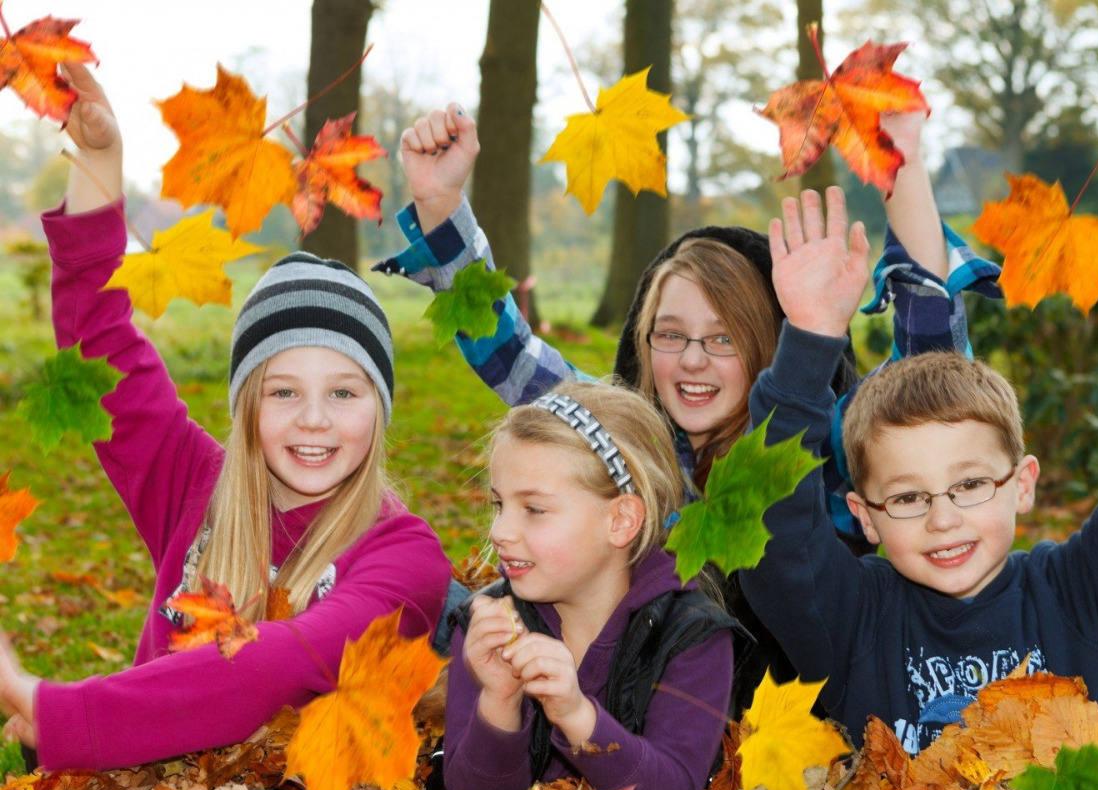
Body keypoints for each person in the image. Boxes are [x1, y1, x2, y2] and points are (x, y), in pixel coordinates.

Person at [376, 102, 1002, 706]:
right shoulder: (626, 438)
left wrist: (905, 170)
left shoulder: (819, 446)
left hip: (783, 722)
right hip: (617, 703)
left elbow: (931, 372)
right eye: (671, 335)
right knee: (423, 596)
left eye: (723, 337)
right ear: (644, 345)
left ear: (765, 345)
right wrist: (440, 203)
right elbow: (509, 352)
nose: (693, 359)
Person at [9, 63, 450, 790]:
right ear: (247, 405)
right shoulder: (194, 483)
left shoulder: (403, 558)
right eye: (283, 392)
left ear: (381, 410)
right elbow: (104, 349)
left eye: (345, 392)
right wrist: (100, 174)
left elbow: (273, 666)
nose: (313, 420)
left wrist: (66, 713)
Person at [739, 193, 1098, 755]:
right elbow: (773, 524)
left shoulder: (1078, 596)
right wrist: (810, 338)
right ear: (865, 517)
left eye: (971, 485)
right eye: (908, 497)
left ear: (1022, 483)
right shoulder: (853, 617)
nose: (943, 518)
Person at [367, 380, 740, 790]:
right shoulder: (491, 621)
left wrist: (576, 715)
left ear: (620, 520)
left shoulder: (690, 636)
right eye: (499, 504)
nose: (500, 530)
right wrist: (499, 700)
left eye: (533, 509)